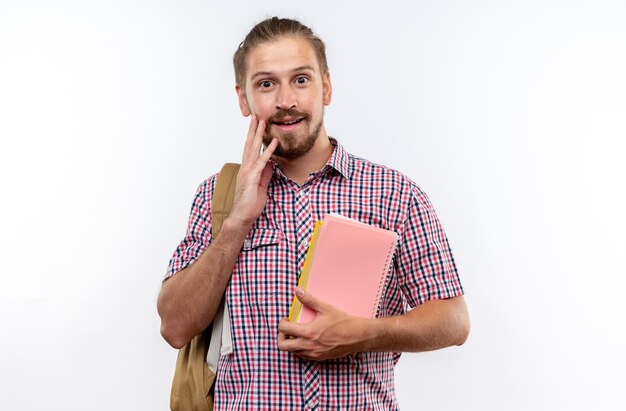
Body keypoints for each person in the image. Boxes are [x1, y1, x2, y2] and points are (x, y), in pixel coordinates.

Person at [157, 16, 470, 410]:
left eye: (301, 80)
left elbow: (453, 321)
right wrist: (237, 221)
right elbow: (174, 327)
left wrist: (365, 333)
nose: (285, 100)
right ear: (243, 98)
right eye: (266, 83)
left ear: (327, 87)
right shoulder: (215, 197)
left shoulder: (394, 194)